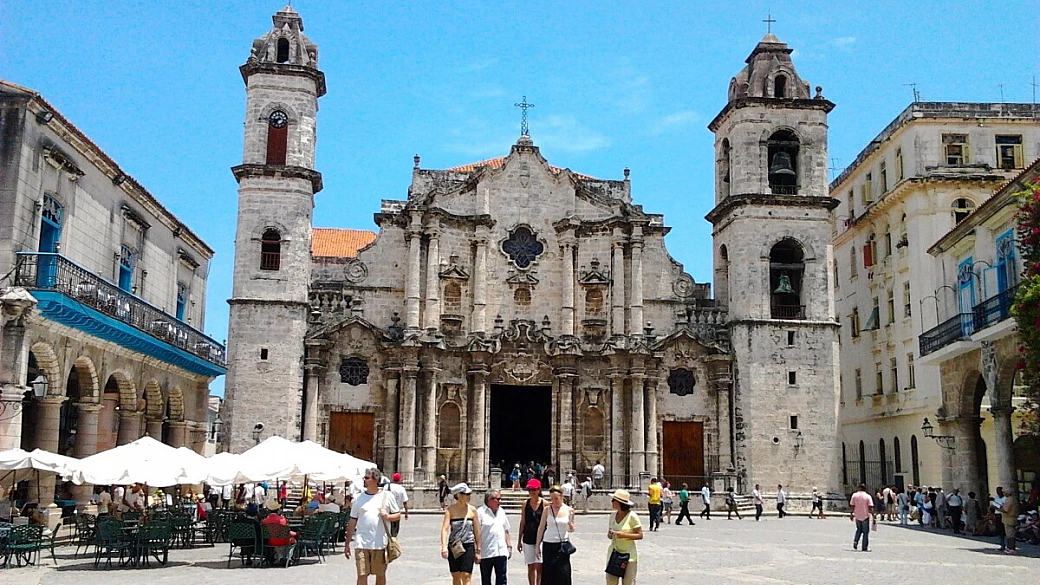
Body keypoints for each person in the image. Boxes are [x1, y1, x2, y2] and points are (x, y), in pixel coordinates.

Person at [344, 467, 402, 585]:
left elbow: (397, 515)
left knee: (380, 575)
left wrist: (387, 516)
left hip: (379, 543)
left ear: (375, 479)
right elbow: (352, 520)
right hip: (361, 543)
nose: (364, 480)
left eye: (367, 478)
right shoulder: (358, 498)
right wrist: (347, 543)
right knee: (361, 574)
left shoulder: (387, 496)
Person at [441, 483, 481, 585]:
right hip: (454, 546)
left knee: (466, 575)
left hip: (468, 545)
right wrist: (444, 547)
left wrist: (478, 549)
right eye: (467, 494)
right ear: (458, 495)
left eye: (469, 494)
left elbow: (477, 530)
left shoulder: (472, 510)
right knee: (456, 575)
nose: (469, 496)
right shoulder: (450, 510)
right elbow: (445, 529)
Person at [535, 485, 574, 585]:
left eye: (556, 498)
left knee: (563, 573)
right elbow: (541, 528)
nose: (554, 501)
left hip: (562, 545)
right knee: (549, 574)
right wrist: (537, 546)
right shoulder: (547, 509)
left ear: (561, 496)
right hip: (548, 544)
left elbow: (570, 529)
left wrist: (571, 527)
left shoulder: (569, 510)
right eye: (551, 499)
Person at [606, 489, 642, 585]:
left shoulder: (632, 516)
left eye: (613, 500)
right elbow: (609, 534)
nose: (611, 502)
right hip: (614, 554)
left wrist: (623, 535)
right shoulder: (613, 516)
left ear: (619, 503)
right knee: (611, 581)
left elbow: (640, 535)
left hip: (629, 556)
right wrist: (610, 534)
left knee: (628, 582)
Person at [477, 489, 512, 585]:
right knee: (486, 580)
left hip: (501, 551)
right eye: (498, 499)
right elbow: (476, 533)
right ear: (490, 500)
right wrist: (477, 551)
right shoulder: (480, 512)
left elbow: (506, 529)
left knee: (502, 579)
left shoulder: (501, 511)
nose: (501, 501)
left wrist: (509, 546)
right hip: (486, 552)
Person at [517, 479, 545, 585]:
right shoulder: (525, 504)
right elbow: (523, 521)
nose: (531, 492)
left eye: (533, 489)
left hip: (541, 538)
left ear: (538, 490)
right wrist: (519, 540)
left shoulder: (544, 504)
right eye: (529, 490)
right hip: (528, 537)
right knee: (530, 566)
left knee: (539, 566)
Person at [261, 500, 297, 565]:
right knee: (293, 540)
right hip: (283, 540)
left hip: (271, 541)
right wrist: (295, 533)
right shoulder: (282, 520)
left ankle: (280, 557)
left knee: (278, 540)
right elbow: (286, 531)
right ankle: (288, 558)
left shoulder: (264, 521)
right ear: (278, 510)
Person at [849, 483, 875, 552]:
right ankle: (864, 547)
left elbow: (852, 506)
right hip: (865, 515)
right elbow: (870, 507)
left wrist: (851, 514)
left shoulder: (854, 495)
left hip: (857, 515)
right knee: (865, 532)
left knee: (858, 529)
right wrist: (873, 516)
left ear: (858, 488)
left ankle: (856, 541)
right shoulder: (868, 496)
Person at [388, 472, 410, 537]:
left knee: (387, 530)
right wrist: (406, 513)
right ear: (400, 479)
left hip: (388, 510)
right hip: (396, 512)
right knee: (395, 531)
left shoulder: (387, 486)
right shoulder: (402, 488)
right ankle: (393, 540)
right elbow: (405, 502)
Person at [998, 487, 1018, 554]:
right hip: (1011, 518)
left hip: (1009, 518)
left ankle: (1011, 548)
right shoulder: (1013, 499)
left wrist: (998, 508)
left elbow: (1005, 510)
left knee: (1010, 534)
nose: (1003, 493)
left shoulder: (1009, 500)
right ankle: (1010, 547)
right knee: (1011, 534)